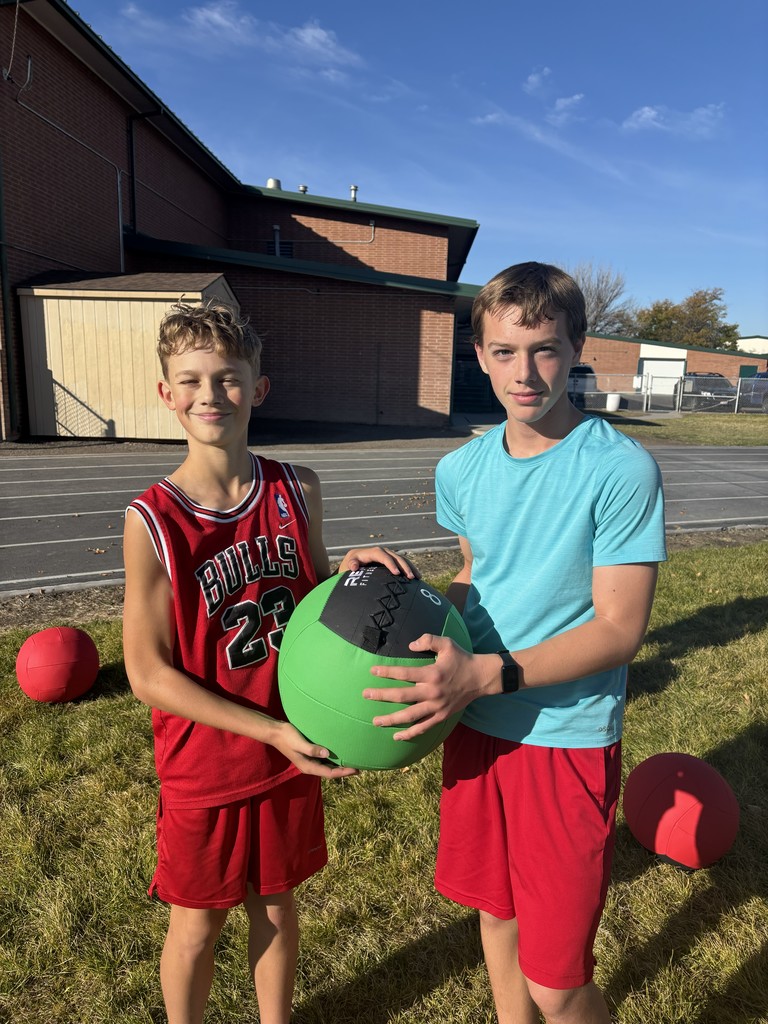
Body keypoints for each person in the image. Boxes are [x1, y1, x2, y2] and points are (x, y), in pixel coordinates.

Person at [364, 262, 667, 1024]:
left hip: (561, 738)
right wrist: (397, 597)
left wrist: (489, 676)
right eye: (504, 351)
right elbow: (473, 573)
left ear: (576, 348)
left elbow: (620, 629)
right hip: (476, 726)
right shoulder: (461, 467)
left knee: (558, 983)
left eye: (543, 349)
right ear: (479, 355)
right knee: (495, 918)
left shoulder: (620, 468)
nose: (524, 373)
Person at [122, 298, 414, 1024]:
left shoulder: (296, 487)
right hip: (206, 762)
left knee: (278, 909)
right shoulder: (152, 518)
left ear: (258, 388)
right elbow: (147, 673)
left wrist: (352, 572)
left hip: (294, 746)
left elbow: (313, 597)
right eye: (189, 380)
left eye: (227, 378)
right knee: (198, 924)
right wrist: (267, 732)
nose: (208, 394)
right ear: (166, 393)